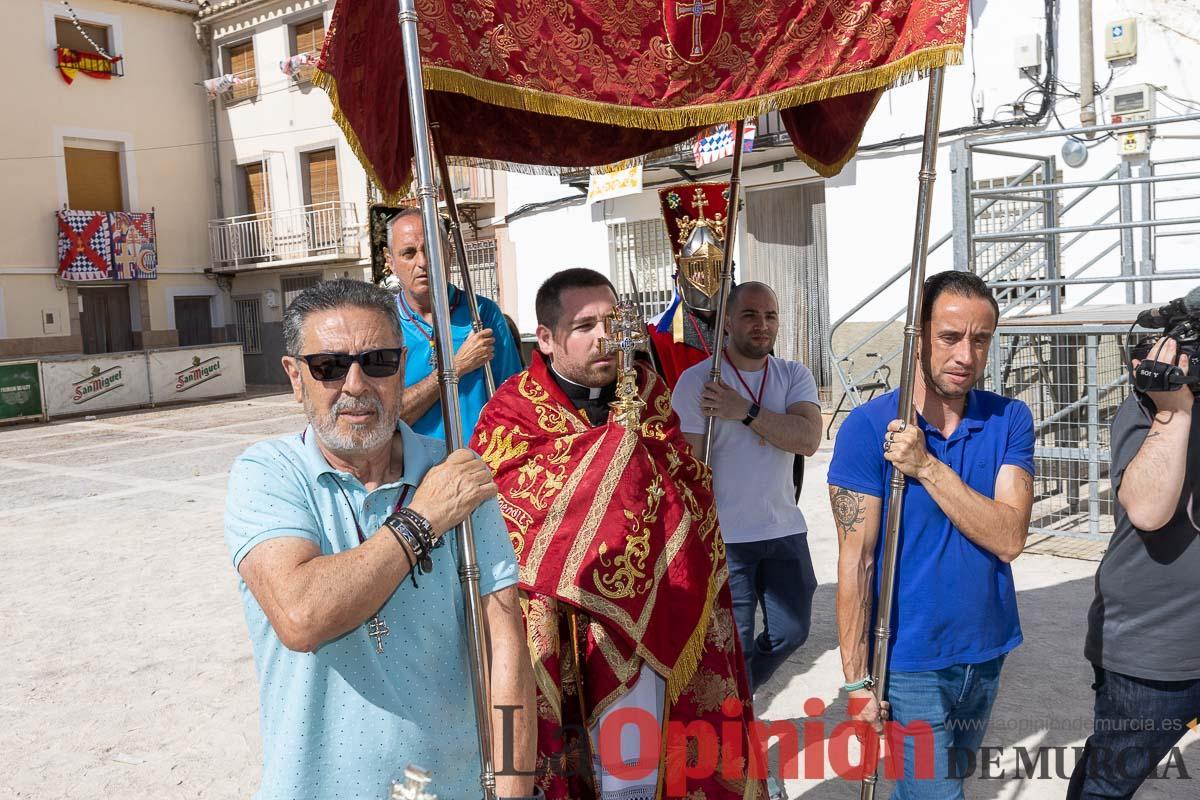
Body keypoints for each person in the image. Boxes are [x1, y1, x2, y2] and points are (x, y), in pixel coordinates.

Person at [224, 279, 536, 800]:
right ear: (295, 378)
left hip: (450, 786)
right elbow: (301, 615)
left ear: (401, 367)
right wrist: (423, 519)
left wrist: (512, 790)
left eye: (377, 361)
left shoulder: (452, 472)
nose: (355, 385)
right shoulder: (269, 473)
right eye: (328, 366)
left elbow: (502, 644)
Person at [471, 268, 768, 800]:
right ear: (546, 338)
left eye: (612, 321)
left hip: (651, 615)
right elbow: (507, 512)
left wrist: (635, 464)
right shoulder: (511, 409)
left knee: (640, 764)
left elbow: (688, 486)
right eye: (584, 325)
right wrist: (612, 458)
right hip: (562, 622)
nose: (605, 337)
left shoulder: (649, 393)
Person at [827, 270, 1035, 800]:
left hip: (987, 650)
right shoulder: (869, 428)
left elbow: (1010, 537)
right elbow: (858, 562)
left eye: (981, 339)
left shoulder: (1009, 418)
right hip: (907, 661)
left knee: (929, 788)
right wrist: (855, 681)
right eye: (949, 337)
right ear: (917, 337)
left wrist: (926, 467)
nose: (966, 354)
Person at [671, 281, 822, 693]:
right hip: (725, 539)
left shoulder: (793, 375)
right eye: (751, 315)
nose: (762, 324)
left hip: (784, 530)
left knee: (792, 633)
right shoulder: (697, 381)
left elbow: (808, 439)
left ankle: (734, 698)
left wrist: (746, 411)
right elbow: (691, 465)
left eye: (770, 315)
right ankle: (732, 724)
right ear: (727, 324)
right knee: (729, 645)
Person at [1067, 336, 1200, 800]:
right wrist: (1174, 411)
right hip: (1157, 649)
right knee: (1109, 779)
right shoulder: (1150, 404)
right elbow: (1147, 509)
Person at [386, 208, 523, 441]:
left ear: (448, 252)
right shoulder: (382, 324)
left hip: (479, 466)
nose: (423, 262)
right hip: (413, 472)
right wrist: (455, 368)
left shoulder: (482, 314)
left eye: (431, 249)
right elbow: (384, 422)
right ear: (391, 262)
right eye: (409, 253)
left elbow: (515, 403)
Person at [645, 183, 728, 391]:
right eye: (698, 268)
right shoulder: (660, 337)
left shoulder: (746, 329)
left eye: (716, 267)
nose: (707, 277)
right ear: (680, 276)